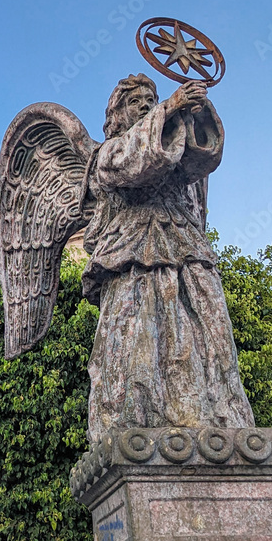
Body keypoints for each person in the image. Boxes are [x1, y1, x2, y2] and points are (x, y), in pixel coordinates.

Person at [81, 73, 255, 442]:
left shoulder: (169, 139)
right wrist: (169, 107)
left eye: (150, 99)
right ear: (116, 114)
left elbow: (199, 160)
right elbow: (135, 163)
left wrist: (195, 113)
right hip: (132, 254)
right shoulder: (106, 154)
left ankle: (213, 412)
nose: (145, 105)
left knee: (207, 332)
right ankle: (134, 420)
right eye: (135, 102)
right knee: (138, 342)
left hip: (185, 247)